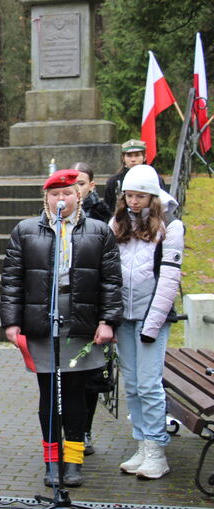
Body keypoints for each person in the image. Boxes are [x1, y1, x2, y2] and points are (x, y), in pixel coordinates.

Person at [1, 169, 122, 488]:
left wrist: (108, 320)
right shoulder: (25, 230)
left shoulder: (98, 230)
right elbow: (12, 279)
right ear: (46, 198)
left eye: (67, 193)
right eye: (54, 194)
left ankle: (74, 460)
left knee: (75, 394)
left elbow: (111, 280)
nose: (60, 199)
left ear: (78, 196)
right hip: (43, 316)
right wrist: (12, 322)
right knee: (48, 395)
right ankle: (51, 460)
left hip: (81, 316)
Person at [110, 164, 183, 480]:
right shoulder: (117, 223)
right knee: (134, 386)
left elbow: (168, 279)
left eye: (140, 195)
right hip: (124, 318)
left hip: (151, 317)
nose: (134, 202)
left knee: (150, 384)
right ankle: (142, 443)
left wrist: (152, 325)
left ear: (152, 196)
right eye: (129, 195)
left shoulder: (170, 226)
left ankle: (157, 449)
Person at [69, 162, 113, 456]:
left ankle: (83, 432)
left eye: (81, 183)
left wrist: (108, 317)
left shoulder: (104, 219)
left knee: (90, 381)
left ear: (91, 186)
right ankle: (64, 442)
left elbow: (111, 273)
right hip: (64, 312)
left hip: (92, 311)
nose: (76, 190)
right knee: (66, 383)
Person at [104, 139, 167, 212]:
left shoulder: (155, 179)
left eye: (137, 155)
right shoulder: (113, 182)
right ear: (123, 158)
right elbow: (108, 208)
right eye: (129, 156)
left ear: (144, 157)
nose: (133, 159)